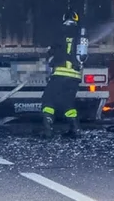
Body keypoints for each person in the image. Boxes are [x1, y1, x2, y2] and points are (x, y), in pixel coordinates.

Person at [40, 10, 86, 138]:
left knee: (48, 100)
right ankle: (75, 129)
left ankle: (48, 130)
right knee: (68, 103)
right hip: (75, 77)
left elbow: (52, 51)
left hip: (60, 74)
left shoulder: (60, 32)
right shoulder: (80, 35)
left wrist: (47, 60)